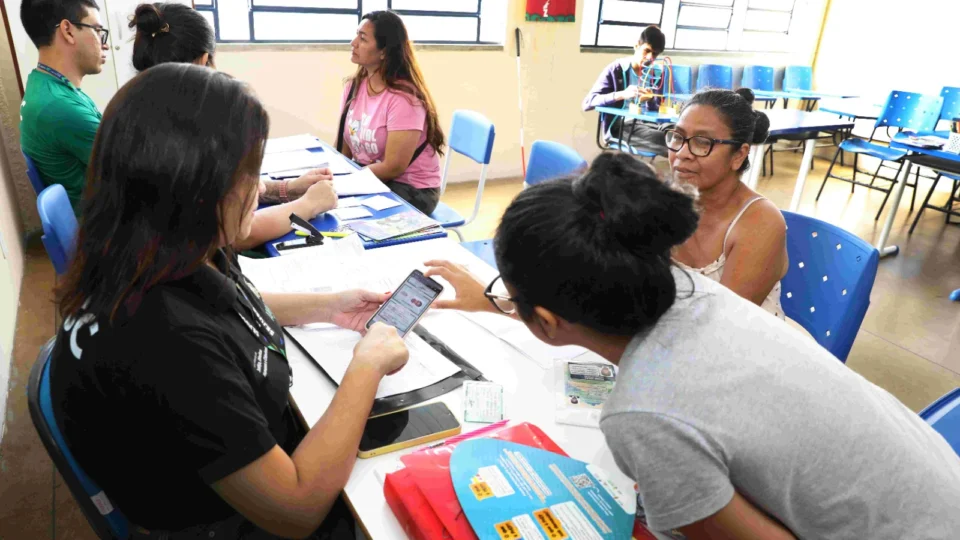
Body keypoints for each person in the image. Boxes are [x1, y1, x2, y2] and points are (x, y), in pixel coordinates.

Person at [423, 152, 960, 540]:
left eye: (507, 295)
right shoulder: (693, 287)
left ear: (544, 320)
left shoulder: (642, 415)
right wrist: (501, 301)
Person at [50, 63, 409, 539]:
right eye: (249, 173)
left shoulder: (152, 249)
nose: (258, 188)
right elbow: (296, 510)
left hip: (233, 462)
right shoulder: (165, 343)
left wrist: (328, 307)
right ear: (196, 187)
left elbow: (229, 309)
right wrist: (366, 367)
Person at [129, 2, 337, 250]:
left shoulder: (132, 110)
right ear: (205, 61)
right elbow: (233, 233)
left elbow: (221, 192)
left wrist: (286, 189)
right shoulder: (187, 130)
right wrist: (307, 206)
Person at [667, 88, 787, 318]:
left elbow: (724, 324)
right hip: (674, 332)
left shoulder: (760, 222)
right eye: (678, 137)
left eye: (702, 142)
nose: (682, 153)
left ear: (738, 155)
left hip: (743, 342)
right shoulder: (663, 201)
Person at [338, 10, 445, 214]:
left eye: (362, 38)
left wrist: (348, 184)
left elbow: (393, 167)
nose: (353, 43)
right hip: (369, 177)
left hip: (411, 188)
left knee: (344, 212)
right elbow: (344, 152)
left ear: (384, 51)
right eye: (356, 35)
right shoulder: (353, 87)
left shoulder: (404, 99)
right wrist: (336, 179)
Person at [19, 0, 108, 213]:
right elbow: (136, 171)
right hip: (100, 226)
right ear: (67, 30)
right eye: (97, 30)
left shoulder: (42, 83)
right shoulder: (60, 107)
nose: (104, 44)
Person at [582, 25, 669, 157]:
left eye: (655, 54)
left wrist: (651, 100)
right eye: (647, 51)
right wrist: (622, 94)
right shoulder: (616, 69)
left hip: (647, 123)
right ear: (636, 46)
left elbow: (655, 110)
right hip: (621, 126)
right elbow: (588, 103)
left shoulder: (655, 74)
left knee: (680, 133)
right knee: (670, 142)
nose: (650, 58)